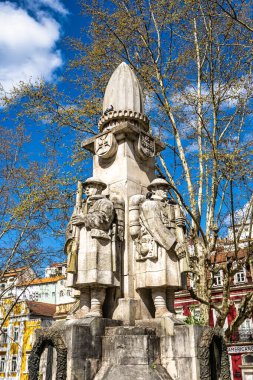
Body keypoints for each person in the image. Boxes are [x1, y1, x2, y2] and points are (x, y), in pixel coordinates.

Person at [131, 178, 188, 318]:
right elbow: (155, 226)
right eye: (162, 188)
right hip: (158, 245)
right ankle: (160, 309)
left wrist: (181, 225)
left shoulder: (170, 206)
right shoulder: (149, 205)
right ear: (153, 189)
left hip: (171, 244)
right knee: (159, 279)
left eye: (166, 188)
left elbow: (173, 226)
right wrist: (174, 244)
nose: (165, 191)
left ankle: (171, 309)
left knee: (171, 281)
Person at [65, 177, 119, 317]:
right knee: (82, 280)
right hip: (81, 245)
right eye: (86, 186)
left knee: (97, 278)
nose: (87, 189)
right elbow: (70, 225)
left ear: (99, 188)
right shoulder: (81, 205)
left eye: (90, 186)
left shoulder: (104, 203)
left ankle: (96, 308)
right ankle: (83, 308)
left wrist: (84, 219)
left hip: (97, 244)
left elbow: (104, 220)